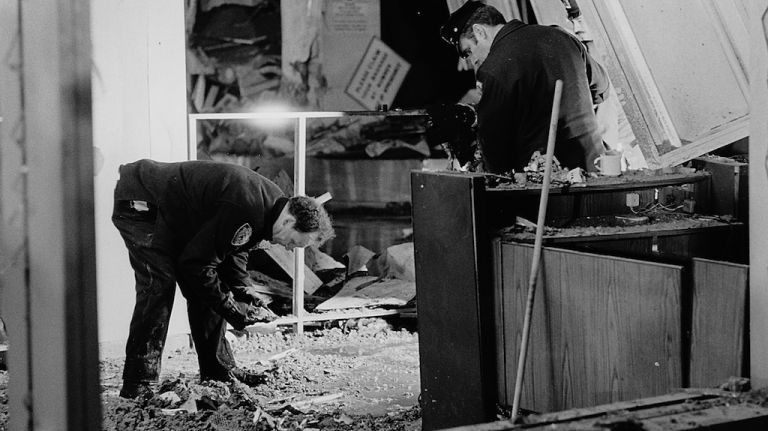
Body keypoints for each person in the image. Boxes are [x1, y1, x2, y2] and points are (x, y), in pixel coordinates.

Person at [112, 158, 334, 399]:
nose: (290, 249)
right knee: (159, 285)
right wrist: (234, 312)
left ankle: (218, 371)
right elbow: (195, 266)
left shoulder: (275, 206)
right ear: (289, 221)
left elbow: (237, 249)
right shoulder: (247, 206)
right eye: (293, 242)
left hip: (172, 212)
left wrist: (245, 290)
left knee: (209, 285)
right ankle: (138, 383)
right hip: (143, 202)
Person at [437, 0, 609, 174]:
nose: (473, 62)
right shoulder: (560, 35)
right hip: (596, 169)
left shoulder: (492, 69)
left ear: (479, 31)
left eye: (468, 52)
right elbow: (602, 89)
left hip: (548, 184)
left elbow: (495, 151)